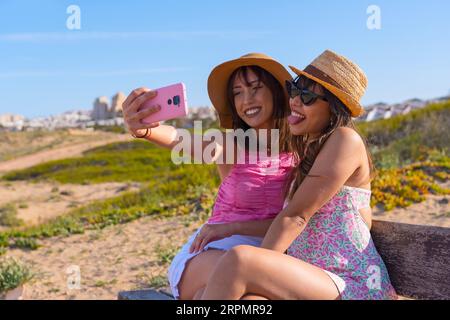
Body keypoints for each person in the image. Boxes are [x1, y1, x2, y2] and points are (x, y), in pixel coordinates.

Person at [199, 50, 398, 300]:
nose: (294, 101)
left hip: (350, 284)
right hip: (309, 278)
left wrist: (260, 267)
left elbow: (296, 217)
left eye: (307, 96)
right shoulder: (306, 151)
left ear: (334, 107)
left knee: (240, 259)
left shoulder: (345, 139)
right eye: (294, 90)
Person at [122, 53, 296, 300]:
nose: (247, 100)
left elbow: (296, 221)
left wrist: (238, 227)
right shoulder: (231, 145)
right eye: (237, 93)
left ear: (277, 93)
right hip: (215, 253)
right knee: (241, 278)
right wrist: (145, 129)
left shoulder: (301, 152)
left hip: (269, 255)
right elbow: (178, 138)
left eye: (256, 88)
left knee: (250, 301)